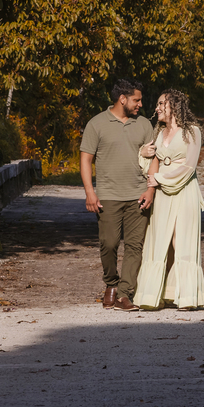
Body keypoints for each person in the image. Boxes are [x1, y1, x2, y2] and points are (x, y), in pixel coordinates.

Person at [80, 79, 157, 312]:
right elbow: (85, 159)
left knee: (135, 246)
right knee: (109, 243)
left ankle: (124, 294)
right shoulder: (96, 124)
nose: (140, 104)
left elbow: (154, 158)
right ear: (122, 99)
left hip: (138, 195)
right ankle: (111, 284)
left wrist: (151, 189)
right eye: (136, 100)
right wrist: (89, 192)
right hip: (108, 196)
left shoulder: (144, 125)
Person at [133, 89, 204, 310]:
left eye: (160, 104)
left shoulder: (192, 132)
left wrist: (159, 178)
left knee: (180, 239)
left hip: (184, 190)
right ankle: (154, 295)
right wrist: (144, 155)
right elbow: (153, 163)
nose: (156, 108)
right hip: (162, 192)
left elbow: (188, 167)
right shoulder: (159, 133)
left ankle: (186, 297)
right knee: (159, 240)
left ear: (174, 106)